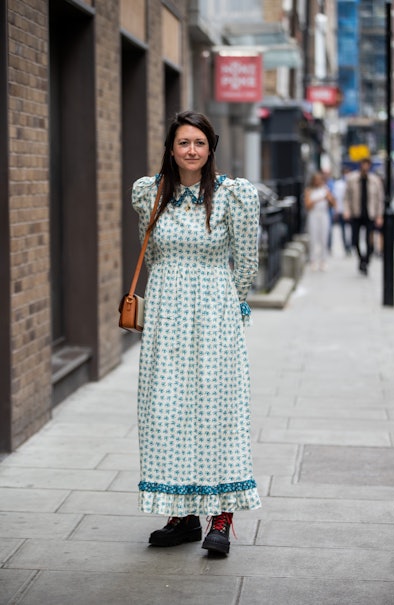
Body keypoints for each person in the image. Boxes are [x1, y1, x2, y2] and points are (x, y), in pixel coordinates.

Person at [131, 110, 261, 556]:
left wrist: (230, 306)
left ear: (211, 149)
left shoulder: (233, 196)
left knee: (217, 412)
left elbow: (246, 261)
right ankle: (182, 515)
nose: (192, 150)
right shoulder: (149, 193)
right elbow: (150, 256)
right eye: (184, 142)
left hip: (214, 316)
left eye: (200, 143)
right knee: (166, 412)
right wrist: (170, 293)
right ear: (171, 147)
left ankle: (222, 518)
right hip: (166, 318)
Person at [343, 158, 384, 275]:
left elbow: (379, 199)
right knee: (354, 240)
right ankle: (361, 259)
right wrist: (347, 211)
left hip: (370, 214)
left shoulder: (375, 181)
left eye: (367, 165)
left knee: (370, 241)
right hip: (356, 214)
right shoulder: (352, 179)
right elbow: (346, 197)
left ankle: (366, 261)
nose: (365, 167)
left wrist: (379, 215)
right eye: (363, 165)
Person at [304, 171, 336, 271]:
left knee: (324, 238)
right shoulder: (309, 190)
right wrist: (320, 199)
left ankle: (323, 260)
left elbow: (333, 203)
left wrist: (328, 198)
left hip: (324, 215)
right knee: (313, 238)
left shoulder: (325, 189)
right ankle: (313, 260)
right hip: (313, 215)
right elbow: (308, 205)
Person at [332, 167, 352, 255]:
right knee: (343, 229)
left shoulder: (351, 183)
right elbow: (336, 198)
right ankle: (346, 247)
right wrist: (336, 209)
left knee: (350, 230)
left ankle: (351, 245)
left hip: (351, 211)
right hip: (341, 210)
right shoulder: (338, 184)